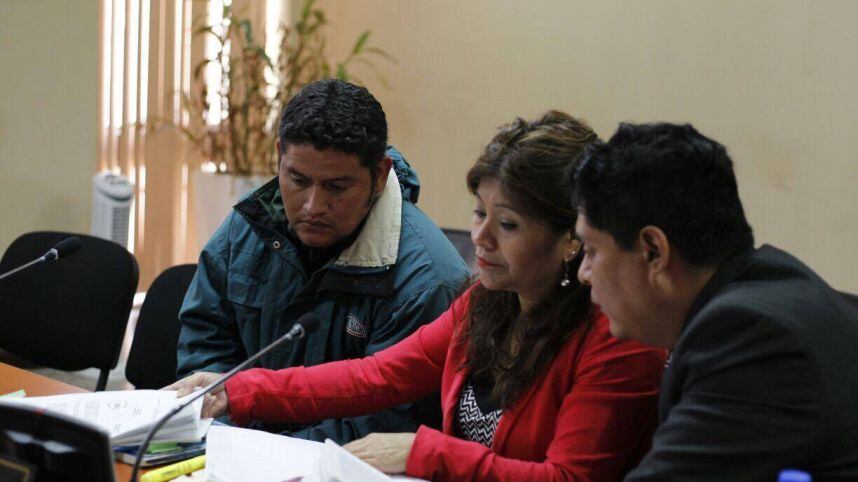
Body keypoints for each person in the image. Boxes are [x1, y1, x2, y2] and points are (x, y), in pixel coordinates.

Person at [180, 111, 667, 482]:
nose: (481, 239)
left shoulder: (617, 336)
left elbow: (567, 478)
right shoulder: (485, 304)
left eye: (508, 224)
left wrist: (421, 451)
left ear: (571, 239)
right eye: (479, 214)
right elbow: (375, 376)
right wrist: (235, 389)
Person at [171, 79, 472, 443]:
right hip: (235, 448)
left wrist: (268, 451)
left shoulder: (427, 281)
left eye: (336, 187)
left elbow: (386, 424)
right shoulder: (250, 225)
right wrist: (232, 433)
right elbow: (205, 345)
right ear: (280, 156)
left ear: (379, 175)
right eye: (298, 180)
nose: (313, 206)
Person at [573, 122, 858, 482]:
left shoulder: (750, 337)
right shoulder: (772, 294)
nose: (584, 273)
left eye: (591, 250)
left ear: (653, 251)